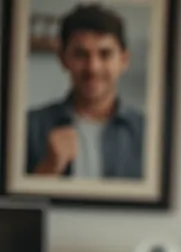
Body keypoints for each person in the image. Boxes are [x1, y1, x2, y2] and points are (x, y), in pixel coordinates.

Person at [26, 3, 144, 179]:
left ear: (124, 60)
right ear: (63, 59)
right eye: (81, 54)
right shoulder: (28, 127)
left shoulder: (147, 133)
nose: (93, 68)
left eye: (105, 54)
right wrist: (48, 168)